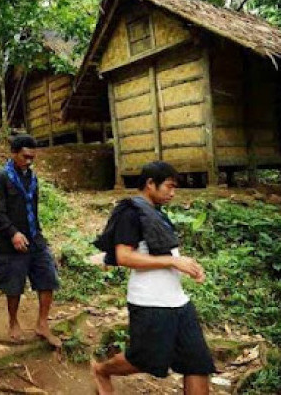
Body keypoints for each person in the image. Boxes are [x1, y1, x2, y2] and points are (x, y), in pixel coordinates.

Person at [90, 161, 215, 395]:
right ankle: (102, 370)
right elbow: (124, 256)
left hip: (179, 301)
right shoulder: (130, 213)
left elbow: (163, 253)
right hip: (151, 303)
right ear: (150, 184)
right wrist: (172, 261)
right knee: (143, 360)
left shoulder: (155, 213)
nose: (172, 193)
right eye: (168, 186)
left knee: (197, 364)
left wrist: (188, 265)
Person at [0, 134, 61, 347]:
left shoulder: (32, 178)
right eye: (25, 157)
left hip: (34, 238)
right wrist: (13, 233)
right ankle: (13, 321)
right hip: (10, 241)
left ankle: (42, 323)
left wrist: (36, 233)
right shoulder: (1, 178)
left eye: (32, 157)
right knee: (14, 286)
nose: (29, 161)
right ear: (14, 154)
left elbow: (34, 209)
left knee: (48, 277)